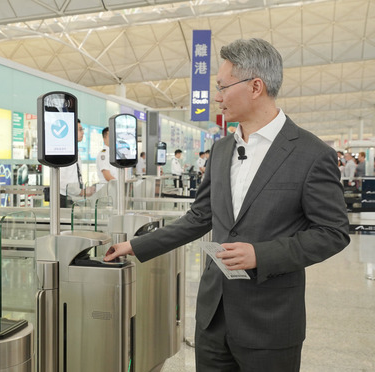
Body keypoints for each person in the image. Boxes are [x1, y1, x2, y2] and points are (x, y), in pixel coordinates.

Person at [105, 38, 349, 372]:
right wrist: (135, 245)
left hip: (270, 323)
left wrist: (260, 255)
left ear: (255, 87)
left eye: (222, 87)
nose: (217, 97)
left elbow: (333, 232)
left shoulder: (310, 153)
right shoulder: (221, 151)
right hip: (213, 318)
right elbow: (200, 217)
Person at [59, 119, 94, 207]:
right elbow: (61, 182)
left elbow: (74, 177)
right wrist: (81, 192)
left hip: (73, 198)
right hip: (64, 199)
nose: (82, 132)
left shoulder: (74, 151)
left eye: (82, 129)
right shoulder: (64, 152)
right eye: (80, 130)